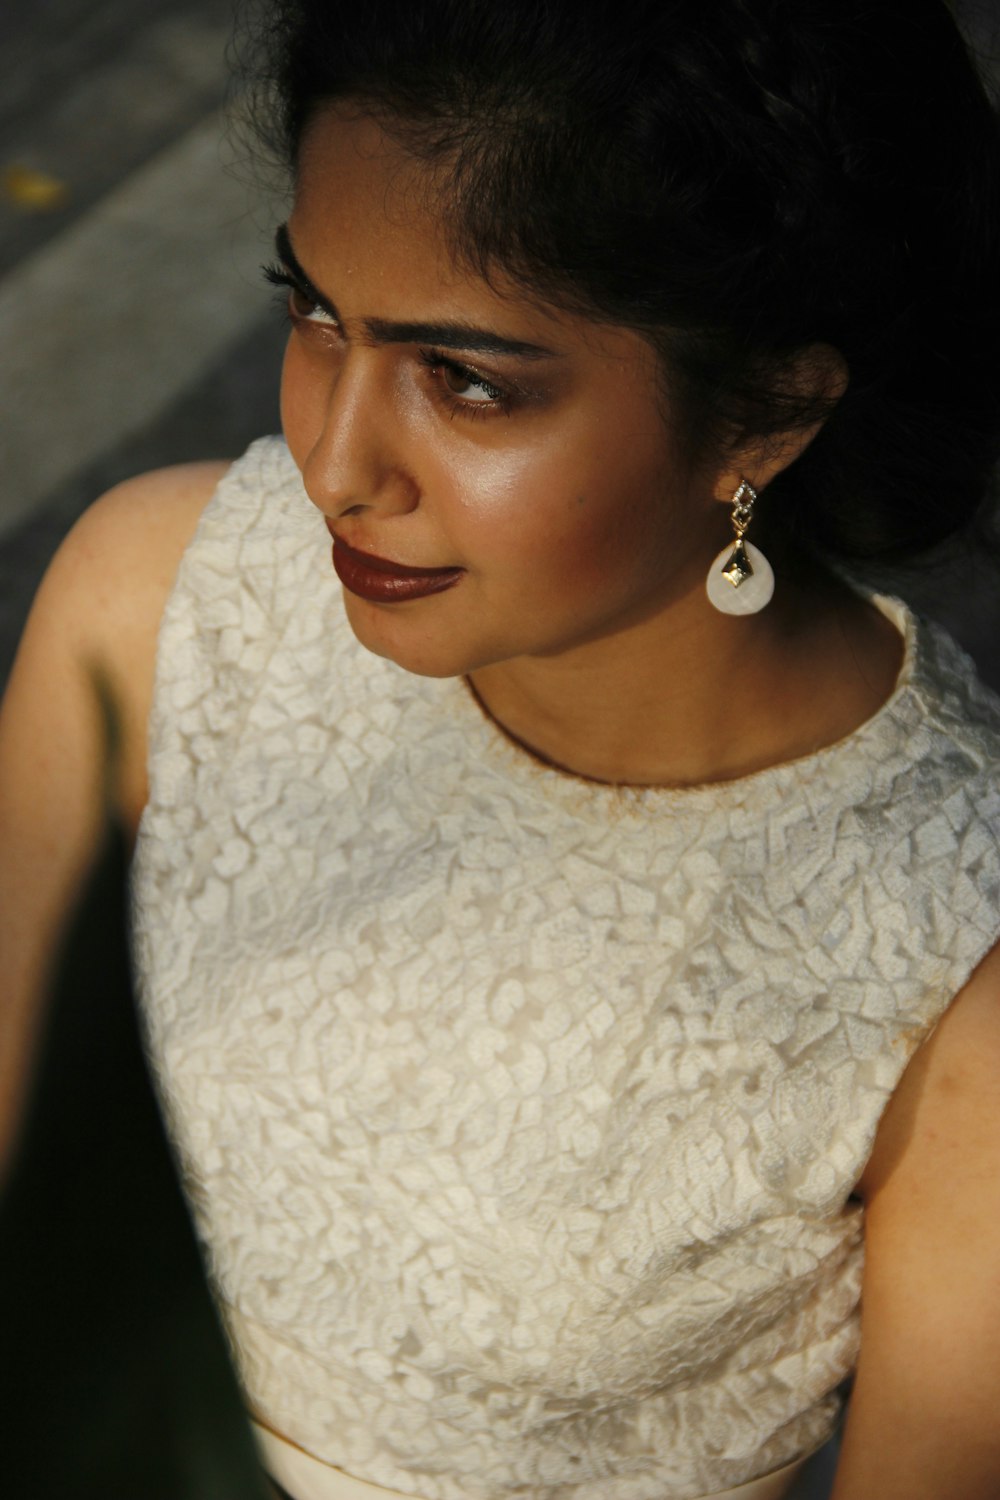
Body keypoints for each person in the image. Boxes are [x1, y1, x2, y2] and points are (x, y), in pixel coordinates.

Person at [2, 0, 1000, 1496]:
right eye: (315, 312)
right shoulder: (159, 598)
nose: (336, 467)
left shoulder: (953, 961)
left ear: (771, 414)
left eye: (465, 380)